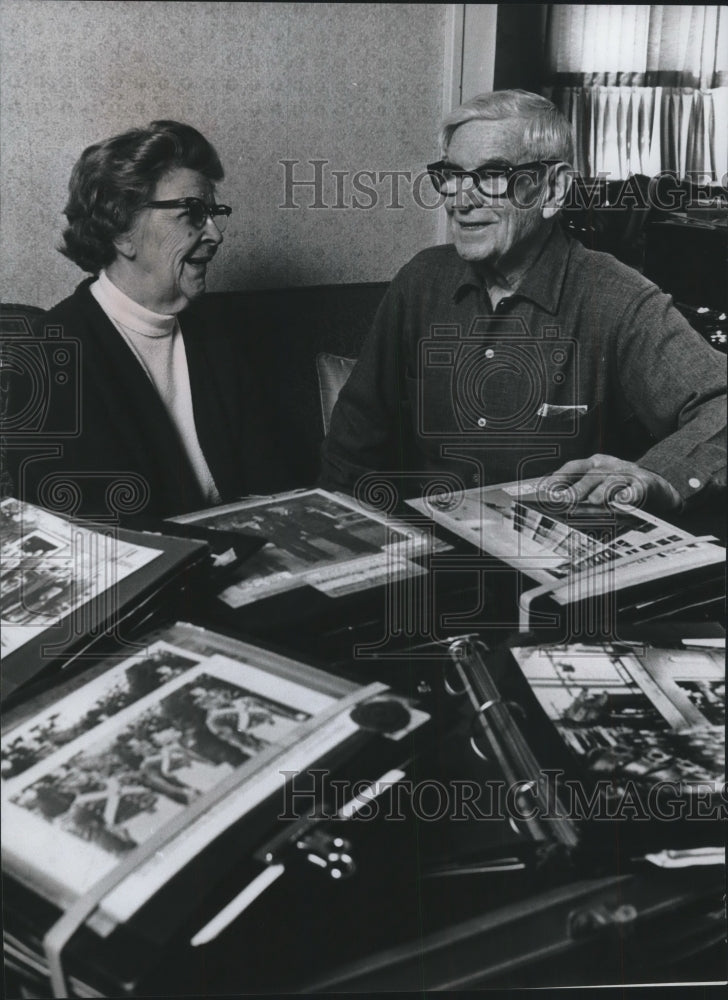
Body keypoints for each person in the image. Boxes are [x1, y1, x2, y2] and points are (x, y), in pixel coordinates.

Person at [320, 91, 726, 516]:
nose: (460, 199)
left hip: (561, 565)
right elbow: (353, 444)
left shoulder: (616, 299)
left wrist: (659, 477)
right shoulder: (421, 281)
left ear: (553, 189)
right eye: (451, 175)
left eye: (493, 175)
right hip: (429, 559)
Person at [7, 121, 284, 524]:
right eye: (191, 212)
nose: (215, 234)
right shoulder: (52, 354)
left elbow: (274, 481)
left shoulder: (217, 332)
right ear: (121, 230)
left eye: (212, 213)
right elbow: (90, 539)